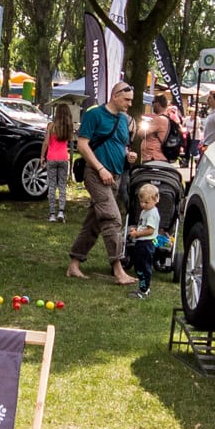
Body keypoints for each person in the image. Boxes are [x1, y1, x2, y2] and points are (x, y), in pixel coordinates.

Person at [67, 80, 135, 287]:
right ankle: (118, 269)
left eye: (131, 100)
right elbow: (82, 145)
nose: (130, 104)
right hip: (96, 174)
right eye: (126, 99)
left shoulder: (124, 120)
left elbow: (120, 145)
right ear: (115, 96)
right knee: (112, 219)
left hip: (115, 175)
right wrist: (100, 168)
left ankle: (74, 263)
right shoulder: (94, 115)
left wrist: (128, 155)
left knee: (93, 222)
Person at [123, 180, 170, 294]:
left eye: (146, 202)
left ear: (155, 200)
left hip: (147, 243)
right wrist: (137, 230)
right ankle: (142, 286)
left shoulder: (152, 213)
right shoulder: (145, 211)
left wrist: (137, 234)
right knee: (139, 265)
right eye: (141, 202)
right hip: (141, 242)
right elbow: (143, 226)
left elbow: (150, 230)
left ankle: (144, 289)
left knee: (144, 266)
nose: (143, 204)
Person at [41, 101, 75, 223]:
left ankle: (52, 214)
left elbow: (46, 143)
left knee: (51, 186)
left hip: (51, 157)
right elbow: (71, 144)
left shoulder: (51, 126)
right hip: (63, 158)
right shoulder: (69, 127)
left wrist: (42, 157)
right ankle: (61, 211)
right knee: (62, 186)